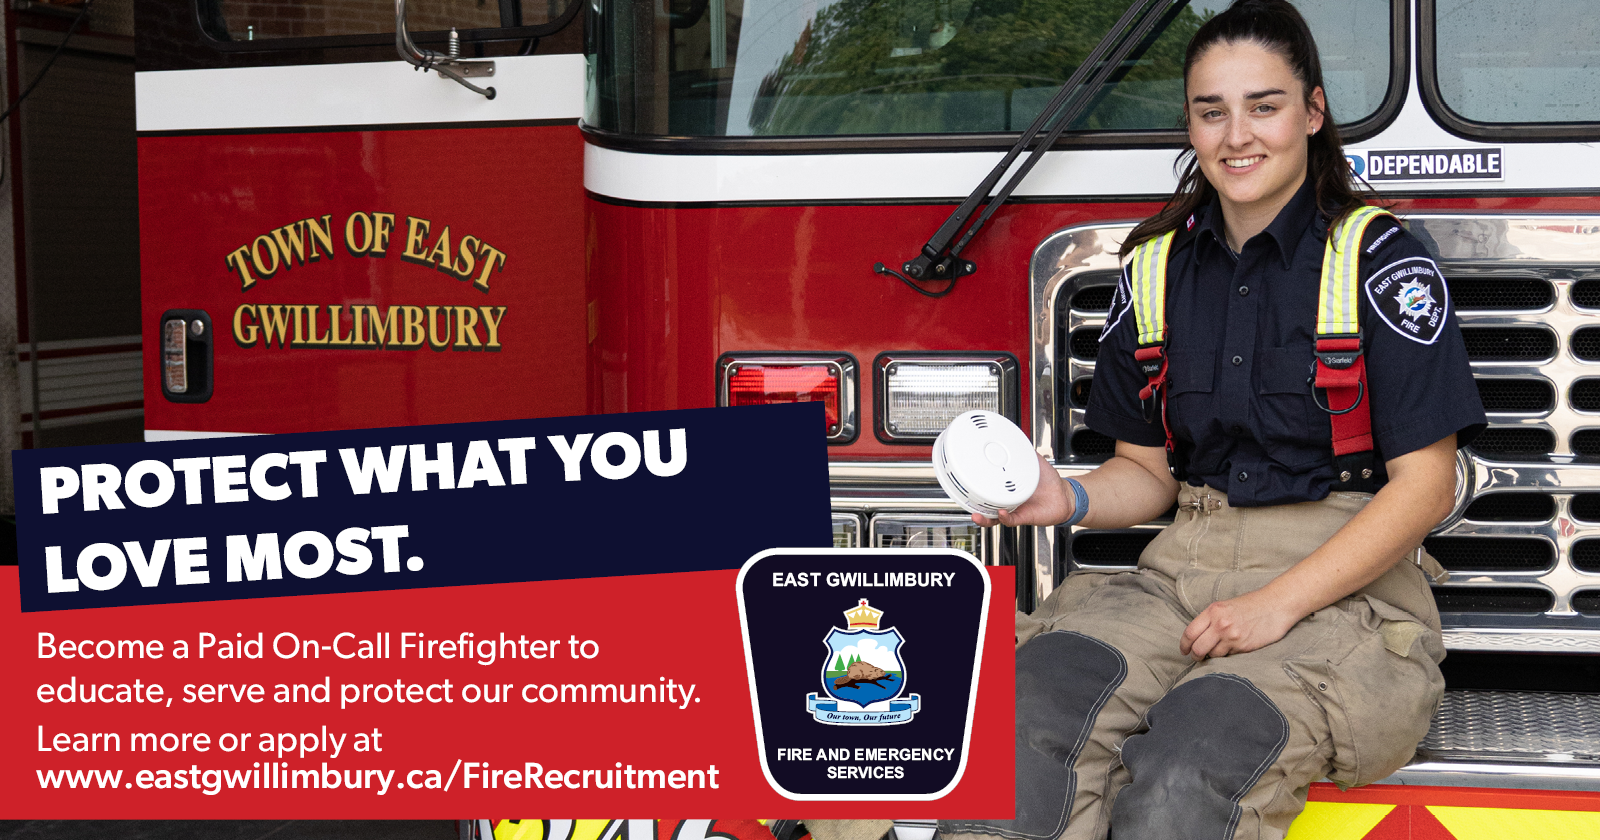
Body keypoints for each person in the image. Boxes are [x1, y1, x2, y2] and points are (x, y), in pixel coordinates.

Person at [939, 2, 1486, 839]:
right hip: (1177, 575)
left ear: (1311, 112)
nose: (1238, 135)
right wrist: (1067, 499)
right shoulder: (1154, 268)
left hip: (1342, 593)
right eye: (1211, 110)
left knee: (1186, 770)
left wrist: (1276, 605)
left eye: (1264, 106)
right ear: (1190, 125)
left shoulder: (1379, 262)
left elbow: (1425, 485)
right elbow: (1147, 473)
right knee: (1021, 718)